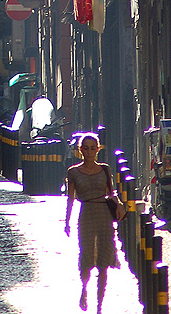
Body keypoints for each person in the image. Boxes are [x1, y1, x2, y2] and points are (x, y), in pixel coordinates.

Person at [65, 133, 120, 313]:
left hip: (104, 214)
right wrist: (67, 221)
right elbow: (70, 198)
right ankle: (84, 289)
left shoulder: (105, 169)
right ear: (81, 150)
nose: (89, 151)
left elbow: (111, 192)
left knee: (104, 258)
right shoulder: (73, 172)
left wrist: (118, 204)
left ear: (97, 149)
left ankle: (100, 305)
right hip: (86, 215)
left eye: (93, 148)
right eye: (86, 148)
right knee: (87, 255)